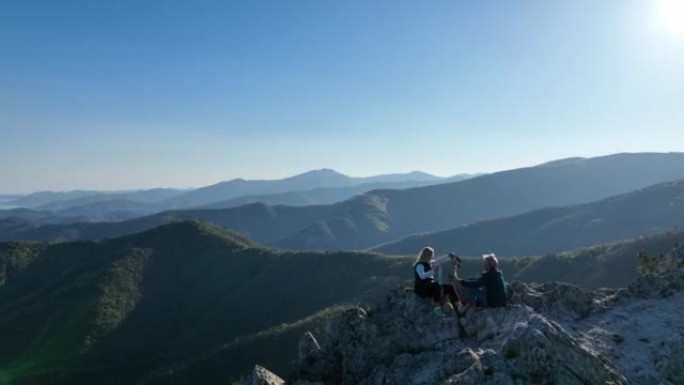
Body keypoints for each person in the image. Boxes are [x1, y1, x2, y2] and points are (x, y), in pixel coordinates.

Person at [413, 247, 447, 313]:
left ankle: (446, 305)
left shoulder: (427, 263)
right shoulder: (419, 265)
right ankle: (436, 305)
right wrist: (433, 270)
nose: (433, 256)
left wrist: (448, 256)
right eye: (432, 254)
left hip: (426, 286)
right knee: (436, 285)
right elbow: (422, 276)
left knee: (445, 288)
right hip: (421, 287)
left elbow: (437, 260)